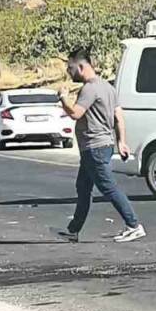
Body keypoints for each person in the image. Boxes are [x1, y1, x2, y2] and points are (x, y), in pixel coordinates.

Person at [56, 49, 145, 243]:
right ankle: (73, 230)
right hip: (102, 145)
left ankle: (134, 225)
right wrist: (122, 141)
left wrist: (62, 98)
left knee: (108, 187)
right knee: (83, 187)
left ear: (81, 66)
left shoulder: (89, 89)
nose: (69, 73)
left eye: (71, 68)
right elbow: (119, 117)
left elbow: (75, 114)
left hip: (94, 147)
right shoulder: (108, 88)